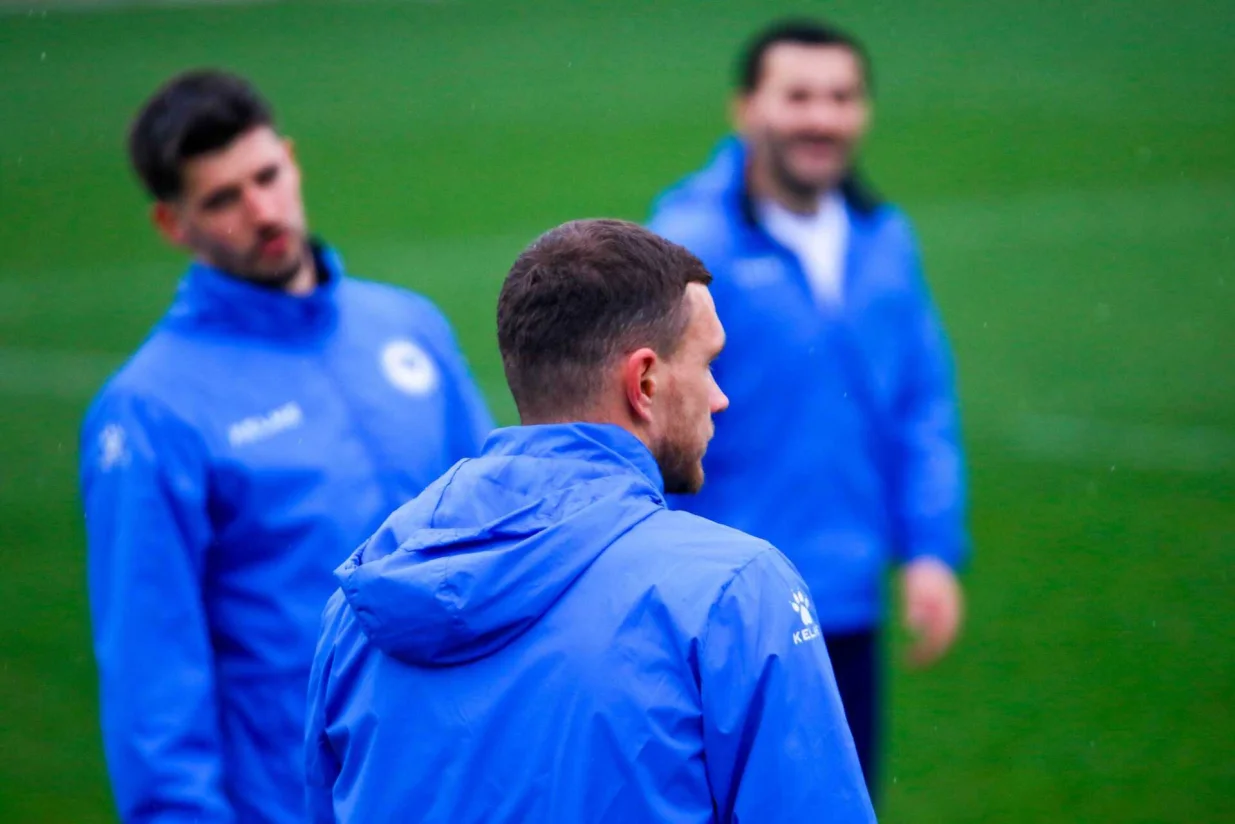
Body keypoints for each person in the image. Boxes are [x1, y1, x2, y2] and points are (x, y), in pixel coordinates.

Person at [305, 219, 876, 823]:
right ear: (645, 382)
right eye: (708, 365)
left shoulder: (360, 602)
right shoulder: (735, 592)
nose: (719, 397)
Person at [77, 69, 494, 823]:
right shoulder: (149, 411)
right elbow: (152, 671)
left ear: (292, 160)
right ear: (174, 225)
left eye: (266, 176)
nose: (261, 211)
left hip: (461, 782)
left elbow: (499, 535)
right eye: (222, 199)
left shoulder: (407, 328)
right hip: (300, 800)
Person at [646, 19, 970, 797]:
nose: (820, 118)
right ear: (745, 108)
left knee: (837, 802)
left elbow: (920, 401)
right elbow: (643, 422)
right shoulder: (686, 248)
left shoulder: (884, 239)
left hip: (844, 602)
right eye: (797, 96)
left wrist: (928, 546)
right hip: (719, 612)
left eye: (841, 97)